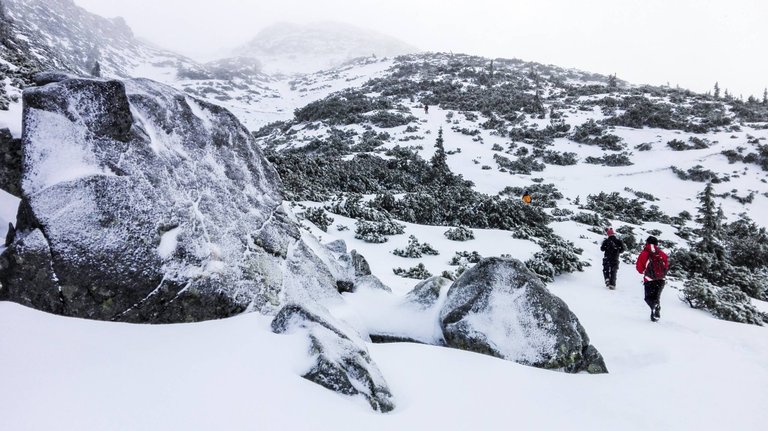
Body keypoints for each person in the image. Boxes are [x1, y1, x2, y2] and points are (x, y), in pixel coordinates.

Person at [635, 235, 669, 322]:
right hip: (661, 280)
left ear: (647, 243)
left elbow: (639, 268)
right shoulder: (662, 254)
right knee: (656, 298)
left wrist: (645, 272)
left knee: (648, 298)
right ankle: (654, 316)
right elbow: (666, 266)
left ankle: (654, 308)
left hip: (650, 280)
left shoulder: (644, 253)